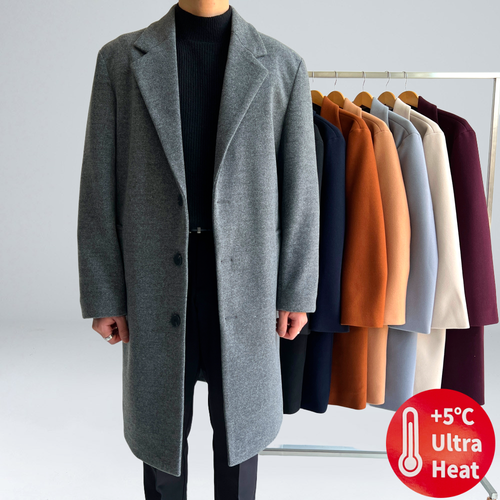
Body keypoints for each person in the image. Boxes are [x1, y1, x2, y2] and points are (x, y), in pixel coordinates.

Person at [77, 1, 320, 498]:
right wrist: (104, 294)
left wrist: (296, 290)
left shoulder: (282, 65)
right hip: (154, 282)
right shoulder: (120, 61)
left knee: (240, 435)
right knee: (162, 436)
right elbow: (98, 184)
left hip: (247, 285)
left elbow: (301, 192)